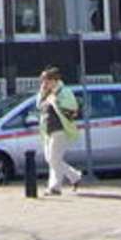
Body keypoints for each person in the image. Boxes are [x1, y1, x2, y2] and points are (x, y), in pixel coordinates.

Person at [35, 66, 83, 194]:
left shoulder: (64, 91)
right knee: (50, 159)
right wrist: (42, 93)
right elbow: (39, 106)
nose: (44, 84)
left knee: (54, 158)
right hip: (47, 130)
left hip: (60, 129)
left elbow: (72, 108)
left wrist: (56, 102)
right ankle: (75, 176)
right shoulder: (46, 93)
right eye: (43, 81)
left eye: (46, 81)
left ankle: (55, 187)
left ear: (54, 80)